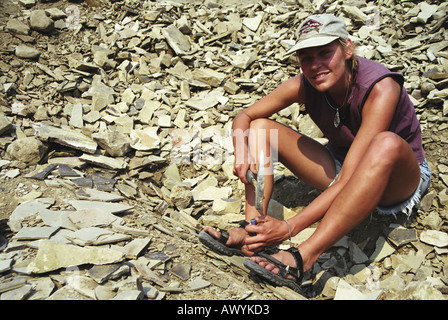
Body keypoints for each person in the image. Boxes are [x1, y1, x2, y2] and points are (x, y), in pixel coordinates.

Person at [198, 14, 431, 291]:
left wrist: (288, 228)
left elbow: (349, 179)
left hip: (395, 181)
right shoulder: (305, 85)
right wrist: (241, 151)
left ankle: (303, 258)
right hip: (342, 165)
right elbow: (245, 116)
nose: (315, 65)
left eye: (324, 53)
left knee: (386, 143)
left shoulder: (380, 87)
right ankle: (253, 232)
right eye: (306, 57)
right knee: (260, 128)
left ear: (347, 49)